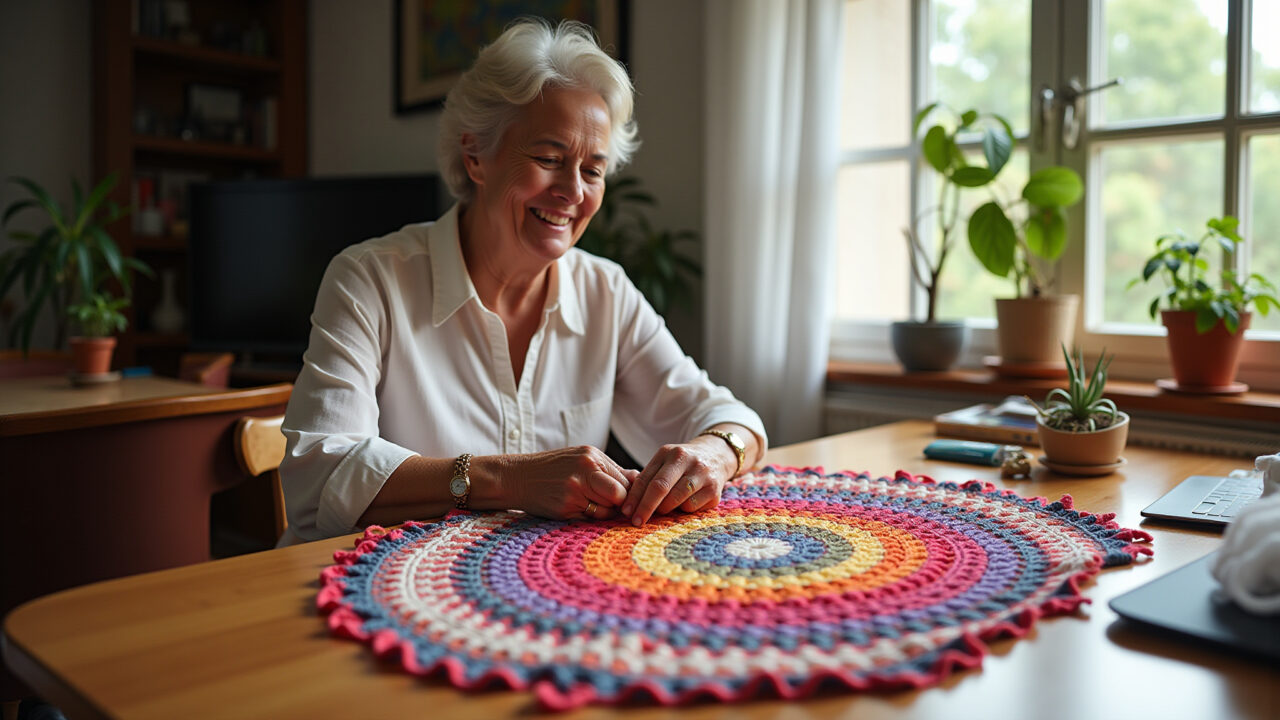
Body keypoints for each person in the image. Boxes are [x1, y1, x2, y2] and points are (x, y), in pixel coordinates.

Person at [277, 19, 766, 545]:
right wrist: (510, 478)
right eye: (549, 159)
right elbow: (320, 471)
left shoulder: (606, 292)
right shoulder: (370, 280)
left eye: (593, 170)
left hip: (528, 592)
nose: (573, 192)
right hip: (367, 587)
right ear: (475, 157)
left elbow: (730, 418)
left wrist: (715, 452)